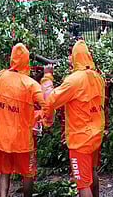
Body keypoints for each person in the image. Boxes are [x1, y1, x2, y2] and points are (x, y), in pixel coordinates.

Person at [41, 40, 106, 197]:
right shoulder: (98, 78)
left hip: (80, 140)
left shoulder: (73, 80)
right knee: (92, 172)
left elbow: (50, 100)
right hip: (96, 135)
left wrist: (47, 78)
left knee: (83, 184)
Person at [0, 43, 49, 197]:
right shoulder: (31, 84)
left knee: (4, 172)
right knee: (27, 174)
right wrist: (39, 116)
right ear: (27, 61)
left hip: (2, 138)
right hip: (22, 139)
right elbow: (48, 104)